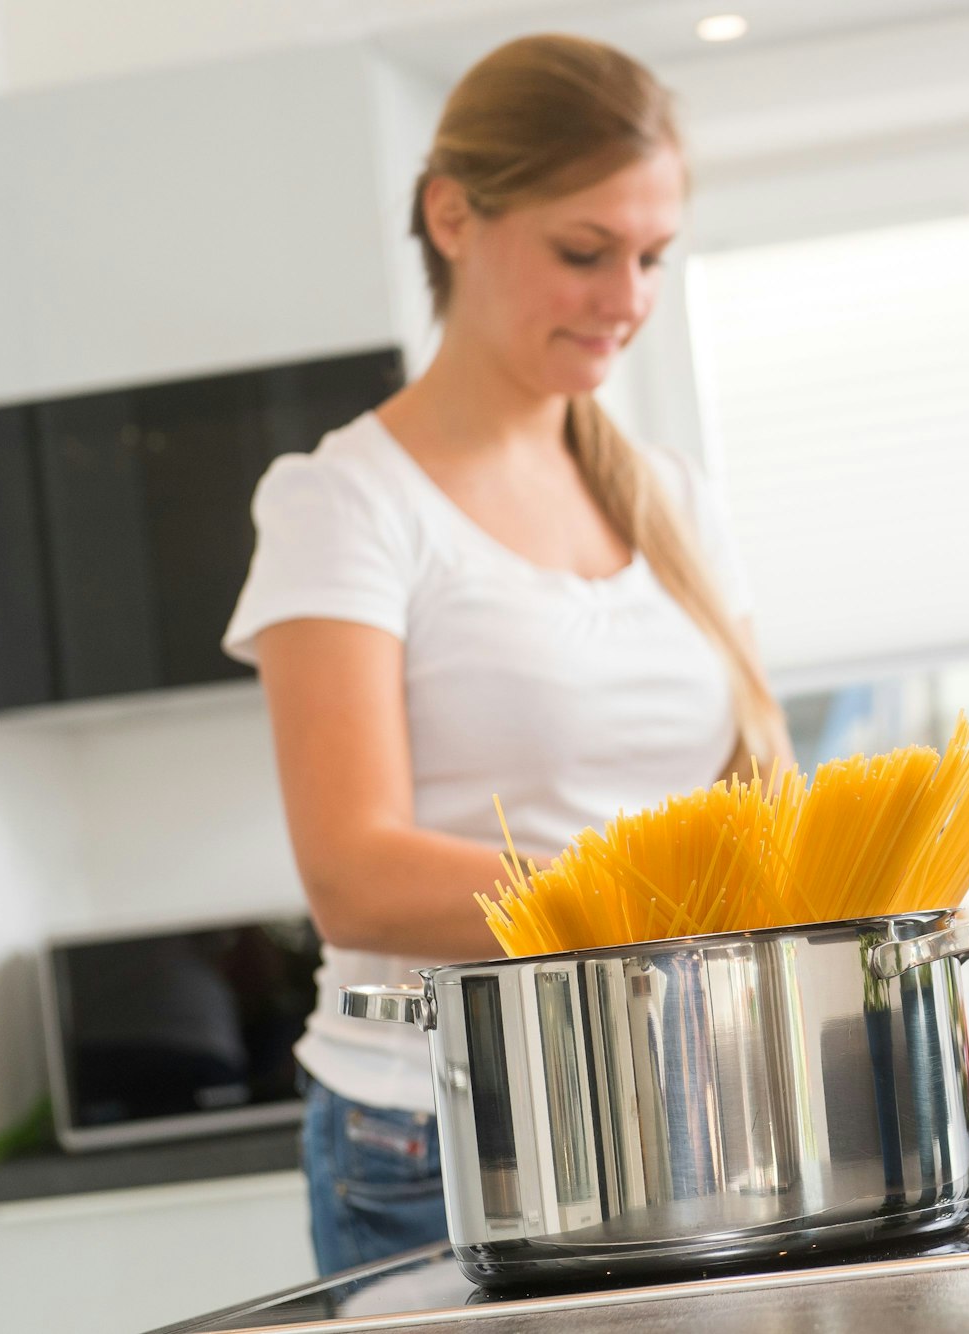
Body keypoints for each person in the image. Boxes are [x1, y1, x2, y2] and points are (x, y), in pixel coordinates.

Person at [222, 34, 791, 1275]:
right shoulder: (347, 502)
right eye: (585, 252)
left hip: (688, 1109)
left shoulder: (676, 501)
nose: (628, 297)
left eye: (650, 257)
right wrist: (646, 899)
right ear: (454, 216)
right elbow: (357, 876)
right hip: (439, 1133)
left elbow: (765, 811)